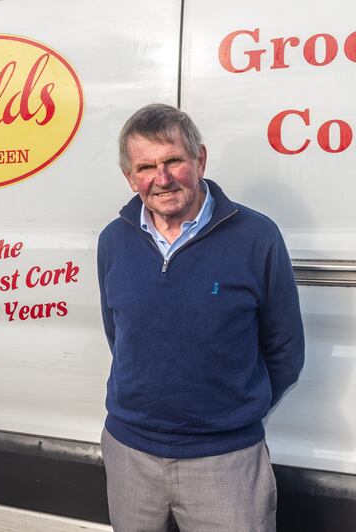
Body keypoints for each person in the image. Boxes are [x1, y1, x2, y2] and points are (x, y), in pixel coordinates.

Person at [96, 103, 304, 532]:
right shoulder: (113, 240)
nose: (163, 178)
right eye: (147, 167)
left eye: (173, 160)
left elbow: (285, 349)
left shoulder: (257, 237)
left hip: (226, 463)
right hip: (130, 454)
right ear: (130, 177)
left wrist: (233, 415)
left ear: (200, 159)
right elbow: (119, 334)